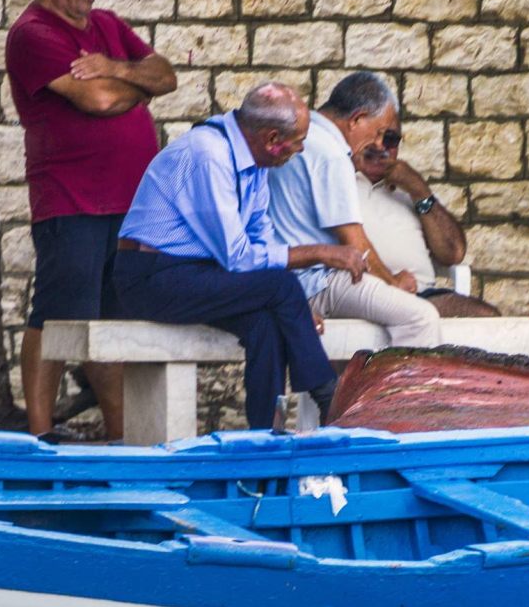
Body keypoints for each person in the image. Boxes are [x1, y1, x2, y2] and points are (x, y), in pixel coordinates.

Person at [5, 0, 177, 438]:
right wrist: (134, 84)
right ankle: (39, 435)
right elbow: (97, 100)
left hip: (130, 204)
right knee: (55, 318)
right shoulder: (33, 34)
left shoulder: (106, 27)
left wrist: (114, 68)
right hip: (71, 201)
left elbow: (165, 75)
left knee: (112, 324)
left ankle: (121, 434)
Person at [113, 83, 367, 430]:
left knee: (266, 323)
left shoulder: (256, 161)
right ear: (272, 138)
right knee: (279, 286)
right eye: (298, 141)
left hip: (197, 272)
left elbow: (259, 238)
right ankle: (329, 398)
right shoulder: (209, 154)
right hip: (149, 277)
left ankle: (266, 433)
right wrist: (319, 253)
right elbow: (239, 257)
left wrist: (293, 305)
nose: (301, 148)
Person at [268, 71, 441, 347]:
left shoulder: (300, 135)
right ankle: (400, 392)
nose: (378, 144)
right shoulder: (332, 154)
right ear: (357, 119)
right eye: (378, 132)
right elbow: (354, 242)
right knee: (420, 317)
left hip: (283, 282)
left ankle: (358, 390)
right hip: (316, 282)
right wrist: (394, 283)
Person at [352, 127, 500, 318]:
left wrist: (419, 190)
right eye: (373, 137)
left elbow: (453, 253)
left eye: (391, 139)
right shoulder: (339, 182)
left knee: (485, 316)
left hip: (421, 296)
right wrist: (390, 282)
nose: (381, 147)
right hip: (362, 294)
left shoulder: (407, 189)